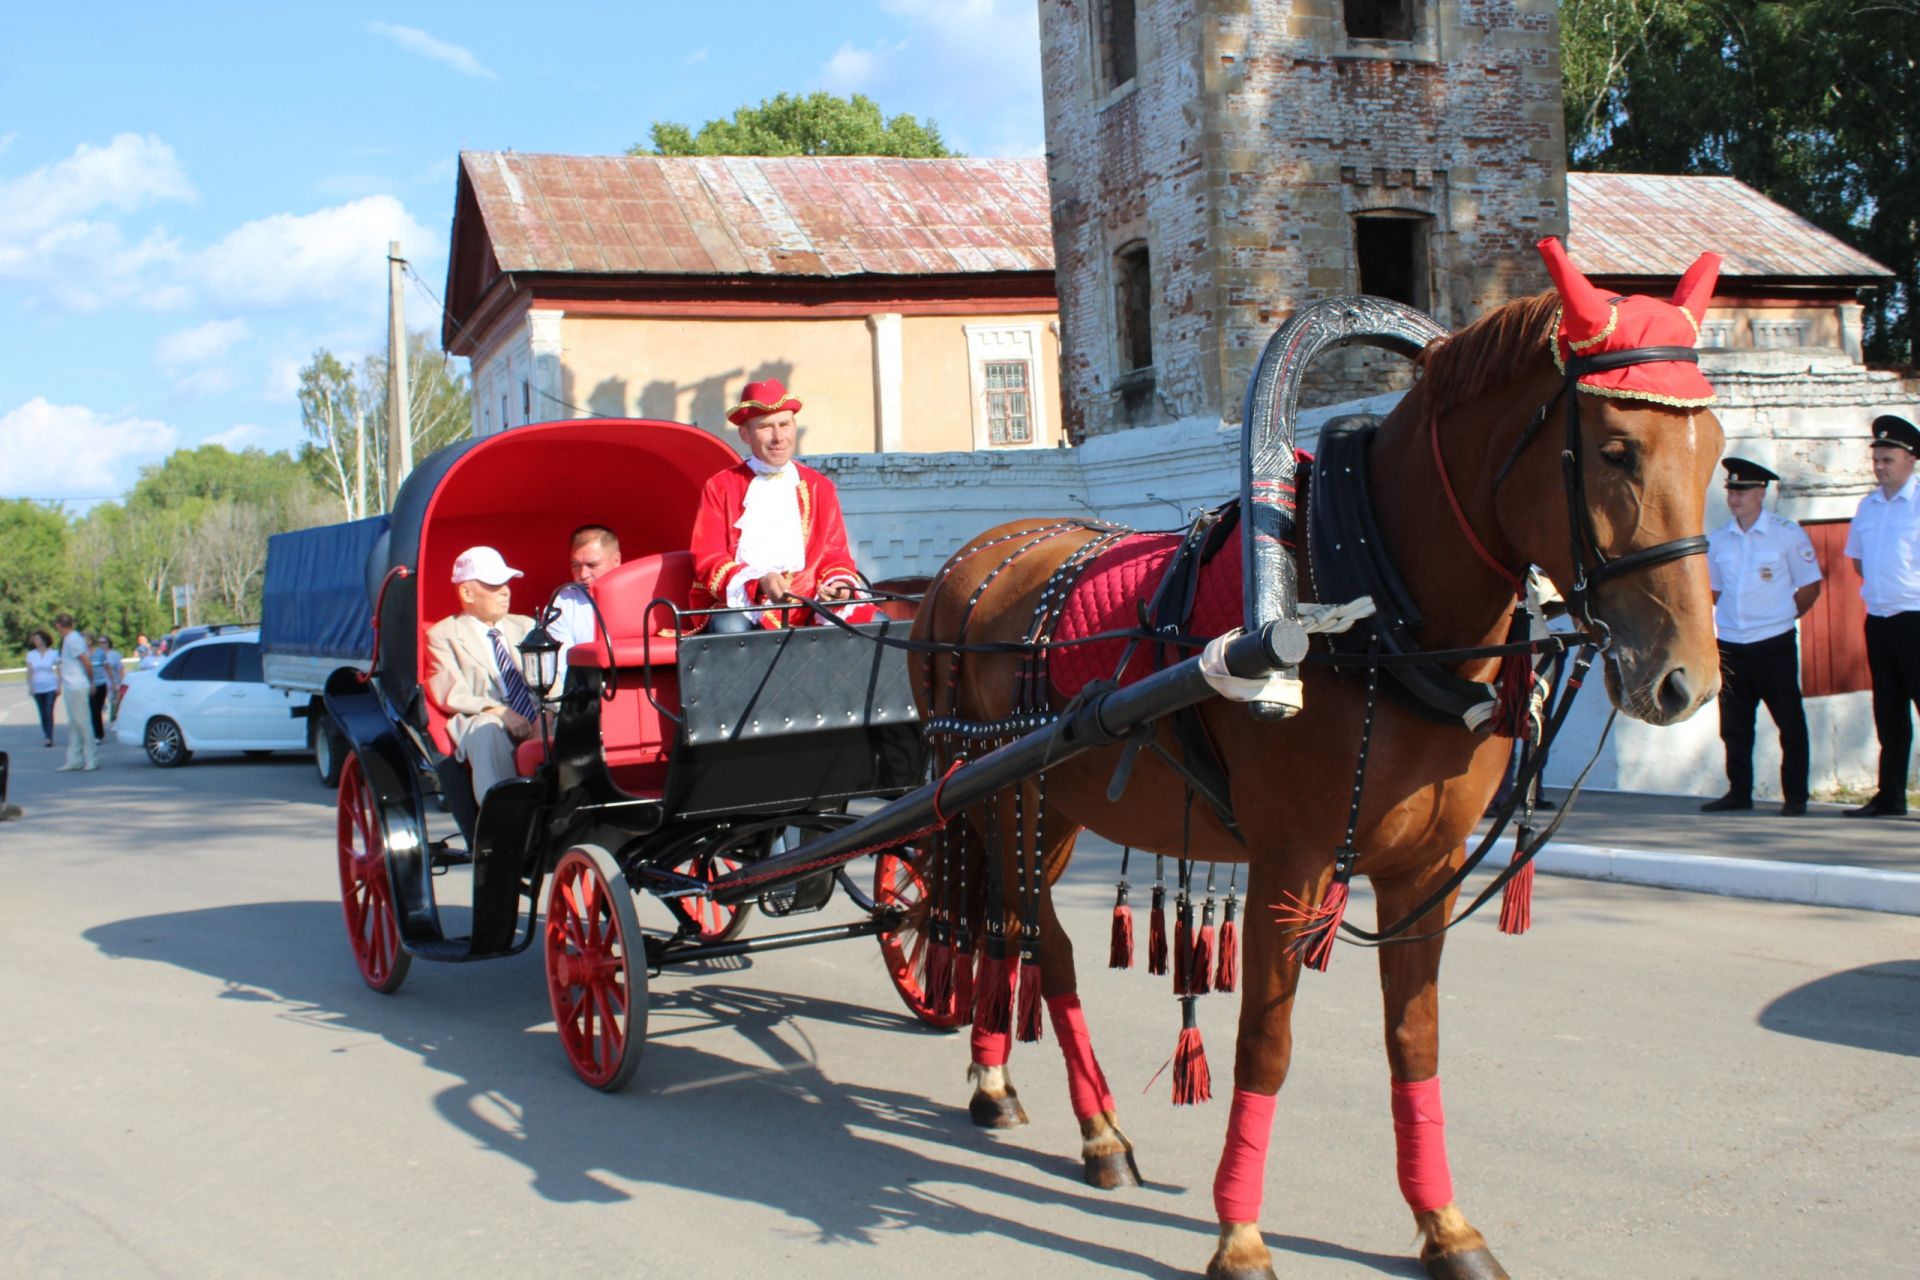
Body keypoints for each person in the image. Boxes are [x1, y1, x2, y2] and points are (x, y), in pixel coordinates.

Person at [689, 378, 869, 633]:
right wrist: (759, 582)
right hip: (745, 604)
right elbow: (709, 559)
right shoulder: (720, 486)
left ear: (794, 426)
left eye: (784, 424)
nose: (778, 437)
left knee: (876, 624)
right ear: (745, 434)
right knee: (731, 629)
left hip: (809, 602)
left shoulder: (820, 487)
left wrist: (839, 584)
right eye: (765, 427)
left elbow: (834, 554)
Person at [1700, 458, 1822, 815]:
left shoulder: (1786, 534)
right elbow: (1714, 592)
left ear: (1761, 493)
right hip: (1732, 645)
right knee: (1735, 726)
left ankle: (1795, 797)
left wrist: (1781, 616)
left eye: (1741, 491)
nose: (1734, 498)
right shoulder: (1720, 539)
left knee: (1790, 724)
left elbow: (1810, 586)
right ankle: (1739, 792)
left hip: (1774, 644)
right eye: (1731, 490)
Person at [1843, 413, 1920, 817]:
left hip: (1916, 618)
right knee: (1889, 713)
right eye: (1876, 458)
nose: (1880, 466)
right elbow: (1859, 562)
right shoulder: (1868, 506)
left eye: (1888, 459)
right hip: (1880, 619)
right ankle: (1890, 796)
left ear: (1911, 460)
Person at [424, 546, 541, 801]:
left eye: (506, 583)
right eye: (493, 585)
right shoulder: (443, 635)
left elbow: (551, 678)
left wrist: (549, 714)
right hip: (484, 715)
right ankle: (502, 819)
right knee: (488, 729)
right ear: (467, 592)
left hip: (536, 710)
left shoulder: (527, 626)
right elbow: (452, 692)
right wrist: (499, 711)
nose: (505, 591)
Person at [548, 524, 621, 680]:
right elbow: (560, 666)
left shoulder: (640, 595)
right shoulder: (563, 601)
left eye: (592, 565)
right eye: (576, 565)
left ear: (616, 560)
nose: (583, 575)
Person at [52, 613, 97, 772]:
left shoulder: (73, 639)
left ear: (59, 625)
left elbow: (86, 661)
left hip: (78, 685)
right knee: (74, 725)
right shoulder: (70, 638)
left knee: (83, 723)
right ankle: (74, 759)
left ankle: (91, 758)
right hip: (71, 686)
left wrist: (91, 681)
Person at [24, 630, 59, 747]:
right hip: (37, 687)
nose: (35, 641)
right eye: (34, 639)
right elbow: (29, 672)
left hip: (50, 686)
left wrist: (59, 685)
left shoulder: (53, 653)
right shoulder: (31, 655)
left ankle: (49, 736)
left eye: (37, 639)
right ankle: (46, 734)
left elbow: (58, 670)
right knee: (42, 712)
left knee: (49, 711)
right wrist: (30, 686)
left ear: (44, 640)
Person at [87, 634, 113, 742]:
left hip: (100, 684)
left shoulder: (100, 653)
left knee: (96, 709)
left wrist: (113, 682)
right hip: (86, 685)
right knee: (90, 710)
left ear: (90, 641)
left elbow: (107, 667)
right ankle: (94, 733)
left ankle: (98, 734)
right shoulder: (82, 654)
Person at [103, 638, 126, 725]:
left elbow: (120, 669)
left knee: (114, 704)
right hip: (102, 684)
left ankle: (114, 721)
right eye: (100, 642)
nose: (101, 644)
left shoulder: (114, 655)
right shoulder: (98, 654)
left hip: (113, 683)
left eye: (103, 642)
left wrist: (121, 682)